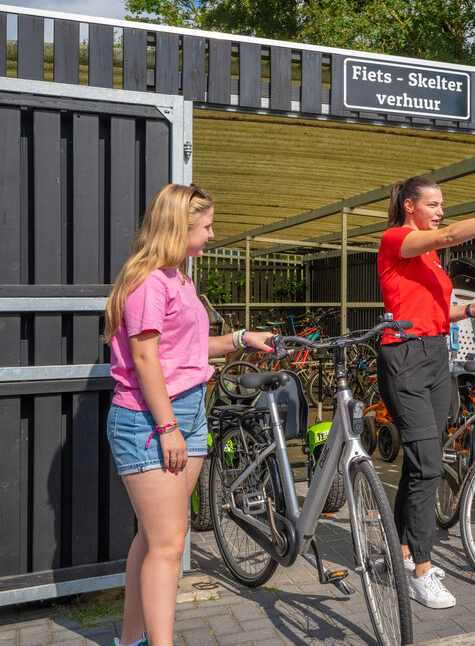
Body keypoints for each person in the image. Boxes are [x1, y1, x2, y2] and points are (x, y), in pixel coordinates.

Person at [104, 183, 273, 646]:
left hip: (189, 414)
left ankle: (131, 640)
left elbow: (190, 351)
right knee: (168, 545)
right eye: (206, 226)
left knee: (154, 539)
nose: (212, 234)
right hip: (151, 420)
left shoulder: (181, 279)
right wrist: (167, 428)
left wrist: (241, 339)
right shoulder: (148, 282)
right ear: (178, 227)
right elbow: (145, 361)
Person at [376, 175, 475, 609]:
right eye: (433, 203)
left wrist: (471, 308)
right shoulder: (398, 238)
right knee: (429, 464)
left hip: (434, 354)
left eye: (442, 204)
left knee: (420, 461)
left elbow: (432, 308)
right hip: (404, 358)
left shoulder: (427, 254)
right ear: (410, 206)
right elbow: (450, 234)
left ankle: (401, 549)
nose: (440, 211)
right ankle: (422, 570)